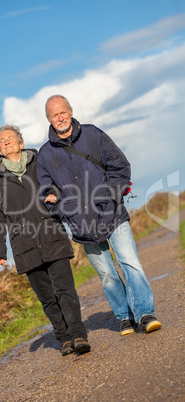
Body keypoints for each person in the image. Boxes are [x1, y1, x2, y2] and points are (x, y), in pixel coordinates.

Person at [37, 95, 162, 336]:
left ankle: (145, 313)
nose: (60, 118)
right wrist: (57, 205)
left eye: (63, 112)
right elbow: (46, 190)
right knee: (107, 275)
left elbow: (120, 166)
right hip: (81, 224)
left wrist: (108, 194)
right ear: (48, 119)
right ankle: (124, 317)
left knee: (130, 263)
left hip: (111, 213)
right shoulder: (45, 154)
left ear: (71, 111)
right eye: (54, 115)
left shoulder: (93, 135)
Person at [0, 124, 91, 356]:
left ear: (21, 143)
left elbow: (60, 184)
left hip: (52, 233)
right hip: (24, 245)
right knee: (47, 298)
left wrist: (57, 196)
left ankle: (78, 334)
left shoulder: (40, 163)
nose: (6, 142)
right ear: (0, 150)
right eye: (2, 141)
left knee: (65, 289)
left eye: (10, 138)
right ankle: (63, 338)